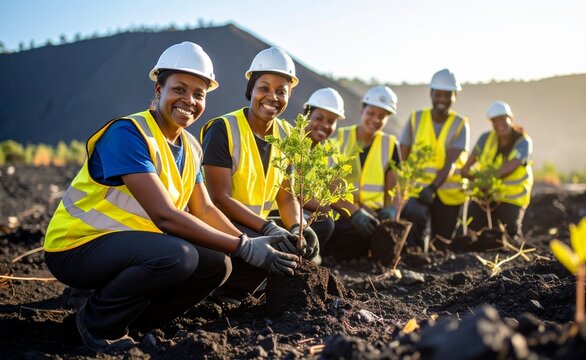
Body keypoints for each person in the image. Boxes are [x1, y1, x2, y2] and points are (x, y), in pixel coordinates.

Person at [43, 42, 299, 353]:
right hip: (77, 247)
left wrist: (252, 241)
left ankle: (136, 324)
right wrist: (243, 245)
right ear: (159, 89)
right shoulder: (130, 133)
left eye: (199, 94)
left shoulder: (190, 146)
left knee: (218, 264)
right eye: (179, 89)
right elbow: (164, 215)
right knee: (179, 255)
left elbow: (203, 207)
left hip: (131, 247)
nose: (189, 100)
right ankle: (97, 322)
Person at [200, 47, 329, 298]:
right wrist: (270, 229)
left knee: (296, 242)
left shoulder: (287, 135)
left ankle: (247, 289)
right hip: (220, 224)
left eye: (281, 91)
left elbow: (286, 195)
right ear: (251, 89)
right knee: (276, 250)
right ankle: (221, 294)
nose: (272, 97)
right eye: (264, 88)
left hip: (255, 225)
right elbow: (219, 198)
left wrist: (297, 225)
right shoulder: (223, 128)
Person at [321, 85, 403, 260]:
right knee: (333, 229)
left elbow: (395, 188)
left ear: (387, 118)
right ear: (362, 109)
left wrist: (391, 211)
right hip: (344, 212)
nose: (375, 119)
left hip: (373, 217)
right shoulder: (340, 139)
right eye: (371, 113)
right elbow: (328, 185)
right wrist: (355, 212)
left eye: (381, 116)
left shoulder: (390, 145)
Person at [399, 69, 470, 249]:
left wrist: (433, 187)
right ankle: (414, 255)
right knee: (415, 216)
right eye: (438, 94)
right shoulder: (416, 118)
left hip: (448, 192)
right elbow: (403, 155)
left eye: (447, 95)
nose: (442, 99)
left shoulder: (460, 124)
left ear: (455, 96)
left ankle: (436, 267)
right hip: (418, 190)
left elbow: (451, 162)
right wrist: (401, 185)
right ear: (431, 94)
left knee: (442, 243)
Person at [461, 100, 533, 238]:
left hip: (512, 198)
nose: (499, 124)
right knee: (474, 225)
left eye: (502, 119)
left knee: (509, 234)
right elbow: (469, 164)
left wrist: (485, 179)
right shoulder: (486, 138)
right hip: (487, 194)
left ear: (510, 118)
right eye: (495, 121)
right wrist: (468, 175)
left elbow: (512, 166)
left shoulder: (523, 141)